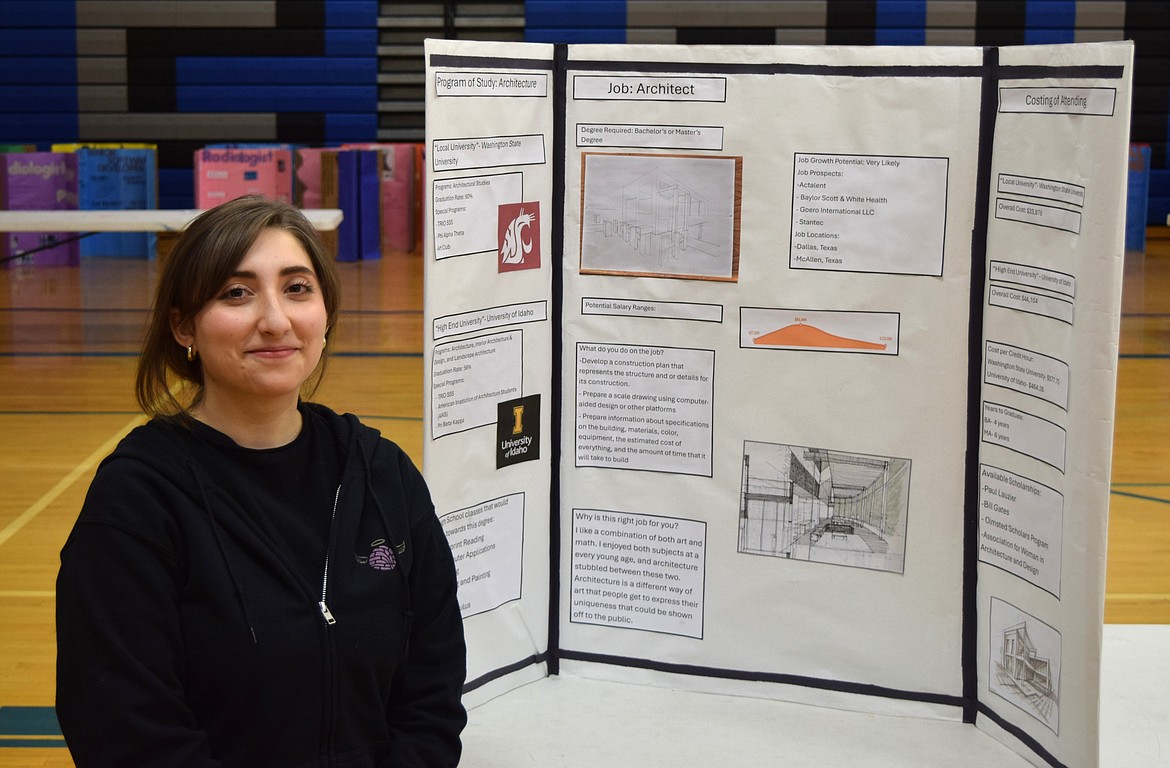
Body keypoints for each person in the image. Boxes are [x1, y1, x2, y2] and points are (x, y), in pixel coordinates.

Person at [56, 195, 467, 767]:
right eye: (236, 292)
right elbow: (126, 730)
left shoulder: (382, 473)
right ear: (183, 325)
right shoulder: (138, 500)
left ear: (325, 313)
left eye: (297, 288)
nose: (275, 320)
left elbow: (432, 689)